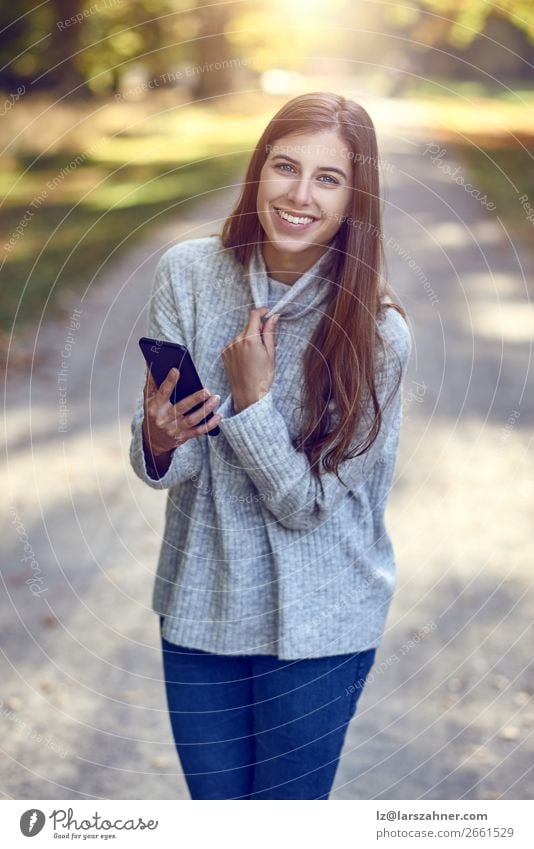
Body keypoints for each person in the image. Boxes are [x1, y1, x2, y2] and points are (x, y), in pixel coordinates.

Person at [129, 91, 412, 800]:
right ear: (259, 170)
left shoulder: (378, 337)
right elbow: (171, 463)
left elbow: (307, 507)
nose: (298, 194)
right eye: (285, 166)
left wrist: (251, 402)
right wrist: (158, 441)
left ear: (357, 198)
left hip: (320, 627)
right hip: (202, 605)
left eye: (328, 177)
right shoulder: (189, 274)